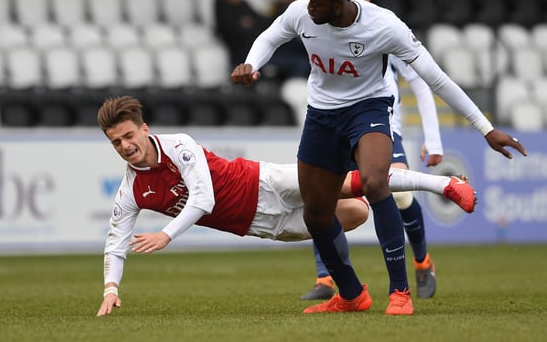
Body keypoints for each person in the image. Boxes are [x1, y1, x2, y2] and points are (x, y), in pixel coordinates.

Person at [230, 0, 527, 315]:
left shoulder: (384, 26)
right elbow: (271, 36)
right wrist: (252, 64)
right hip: (321, 115)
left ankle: (399, 292)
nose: (308, 7)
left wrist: (486, 128)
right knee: (316, 214)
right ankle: (352, 294)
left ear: (339, 3)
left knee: (374, 182)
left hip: (367, 109)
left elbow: (436, 79)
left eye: (316, 2)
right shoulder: (302, 13)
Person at [95, 95, 476, 316]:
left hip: (264, 182)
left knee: (352, 182)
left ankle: (444, 184)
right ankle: (352, 295)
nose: (125, 145)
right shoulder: (131, 190)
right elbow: (116, 242)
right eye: (116, 142)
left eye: (129, 135)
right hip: (262, 225)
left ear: (144, 129)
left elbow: (203, 199)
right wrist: (110, 288)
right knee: (357, 212)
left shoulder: (177, 145)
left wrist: (165, 234)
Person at [299, 0, 443, 301]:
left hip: (381, 126)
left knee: (401, 195)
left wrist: (432, 139)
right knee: (323, 198)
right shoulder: (326, 30)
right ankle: (327, 279)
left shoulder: (384, 31)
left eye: (364, 4)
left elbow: (422, 81)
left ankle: (422, 263)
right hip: (335, 122)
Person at [214, 0, 271, 68]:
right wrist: (248, 24)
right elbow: (232, 29)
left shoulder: (243, 4)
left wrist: (251, 23)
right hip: (239, 50)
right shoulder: (221, 6)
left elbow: (262, 20)